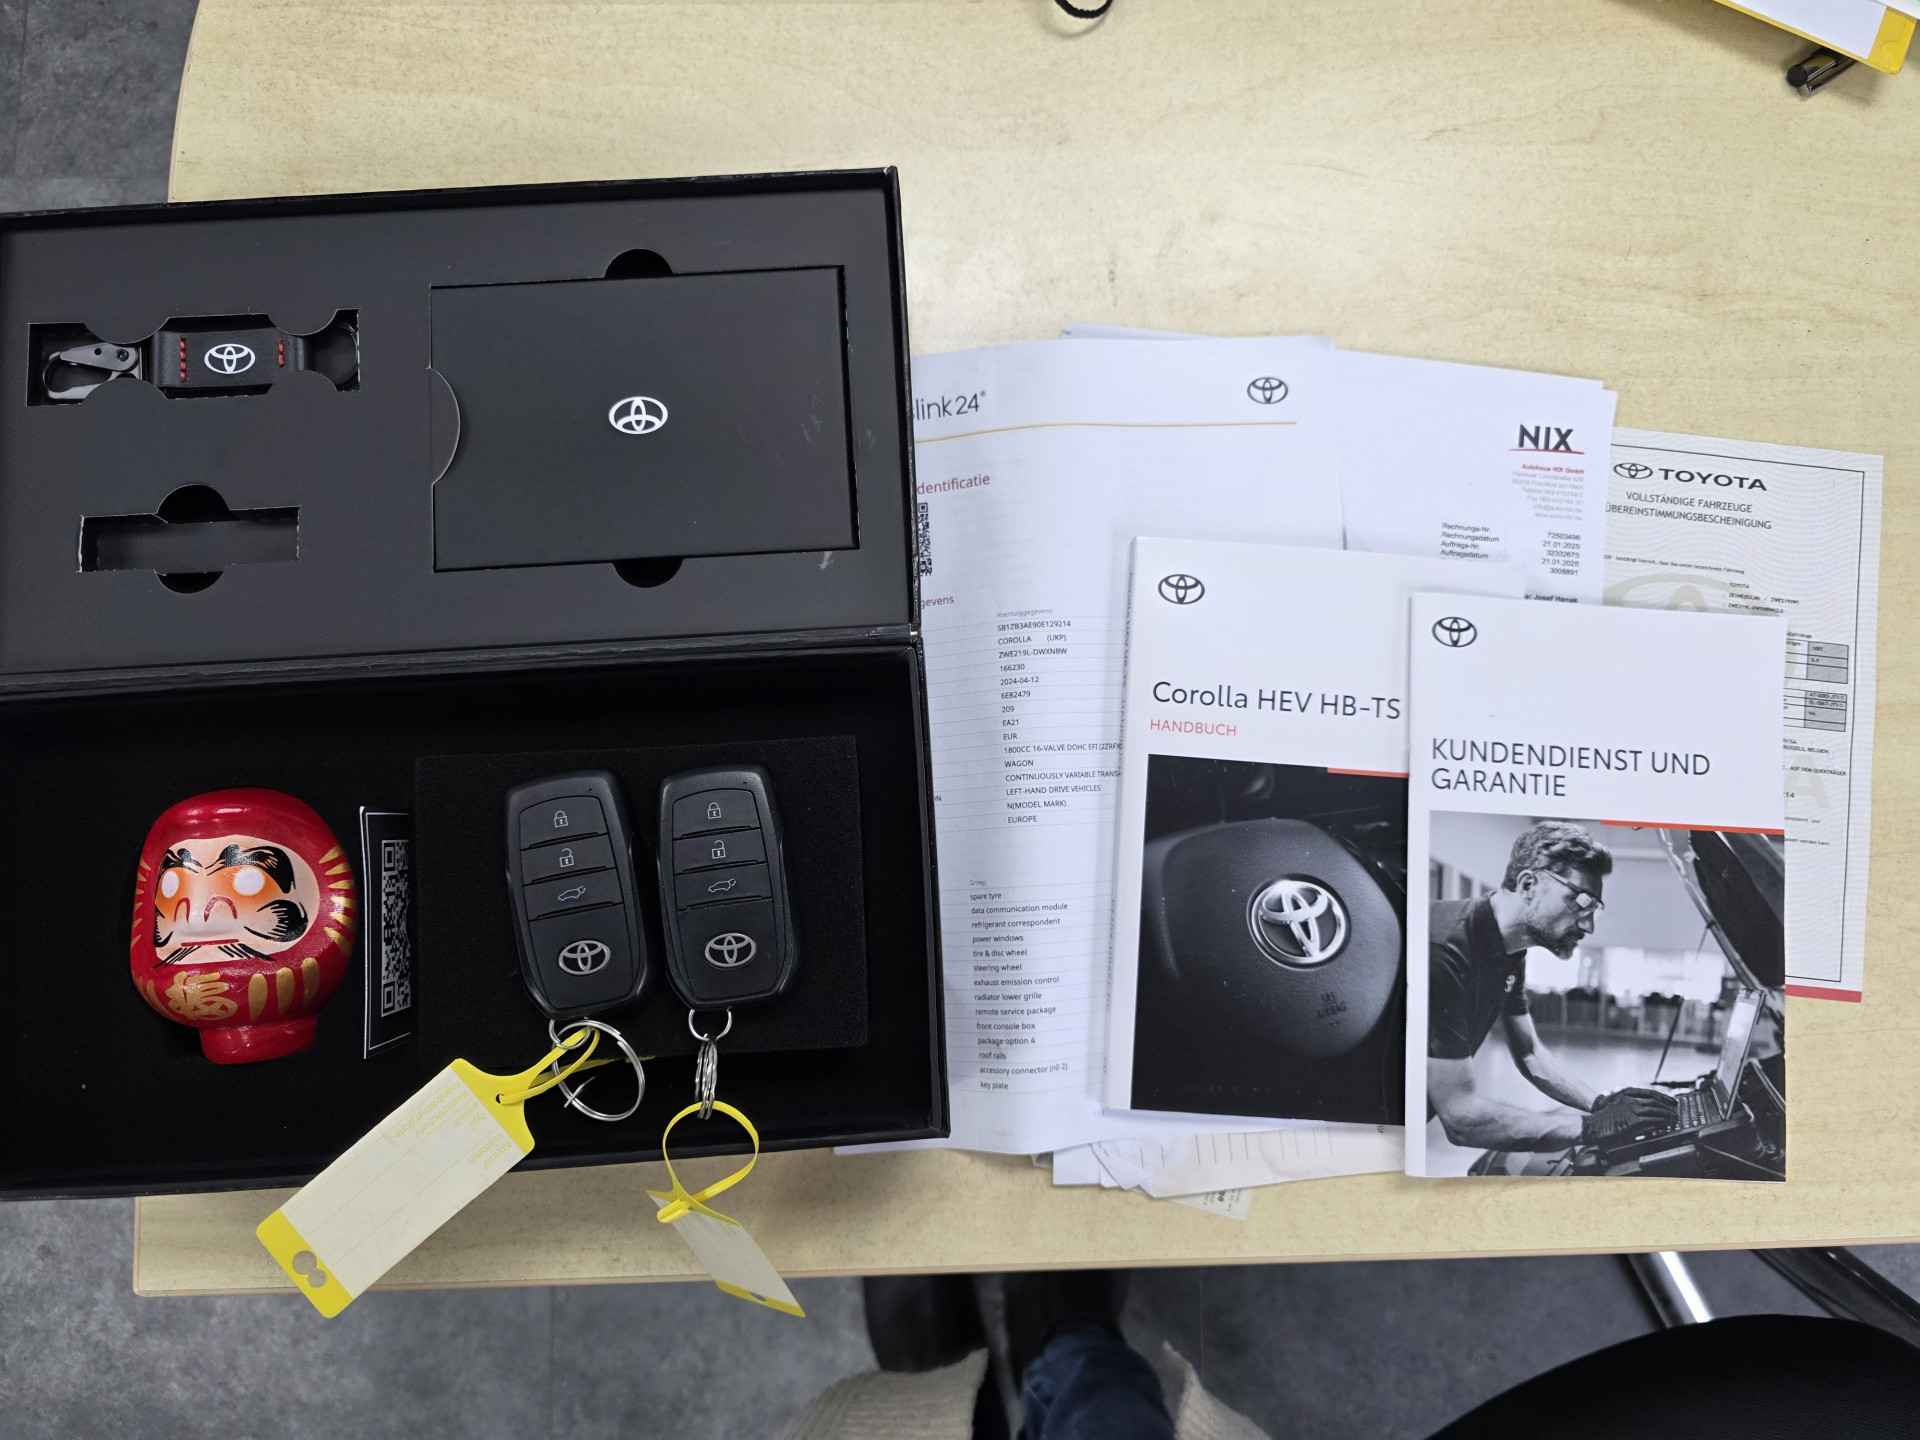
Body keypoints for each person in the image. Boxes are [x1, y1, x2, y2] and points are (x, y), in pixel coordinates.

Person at [1427, 820, 1678, 1153]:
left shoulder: (1510, 950)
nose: (1588, 926)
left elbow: (1530, 1053)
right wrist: (1592, 1128)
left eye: (1594, 909)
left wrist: (1602, 1104)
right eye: (1581, 902)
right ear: (1529, 884)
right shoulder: (1443, 951)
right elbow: (1461, 1117)